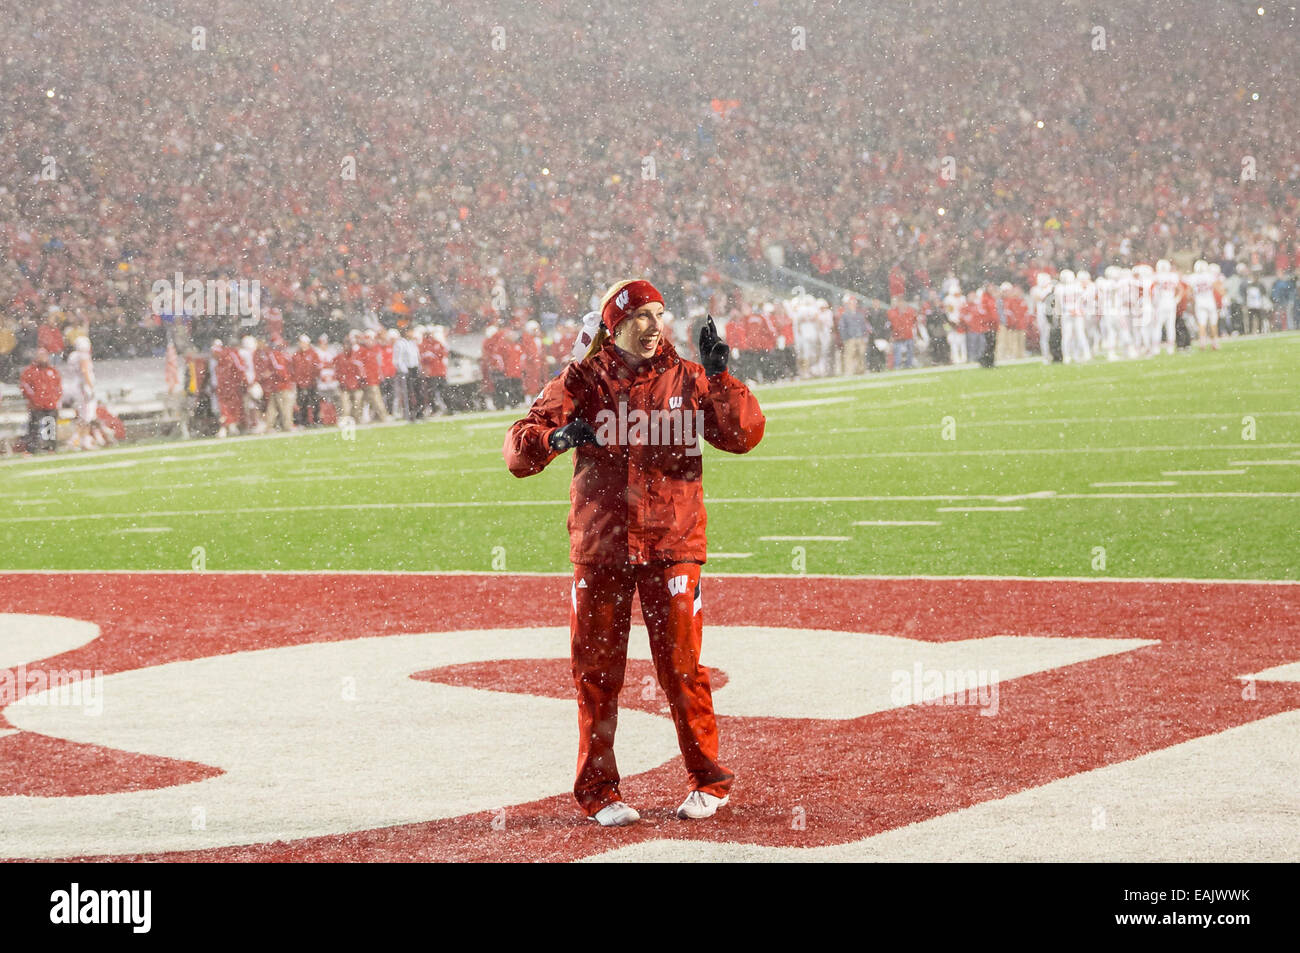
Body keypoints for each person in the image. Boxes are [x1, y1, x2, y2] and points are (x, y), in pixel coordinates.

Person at [503, 277, 765, 827]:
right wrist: (552, 440)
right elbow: (518, 450)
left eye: (658, 314)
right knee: (595, 674)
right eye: (639, 317)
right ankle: (599, 791)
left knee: (682, 669)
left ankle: (709, 780)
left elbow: (743, 435)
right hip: (602, 549)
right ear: (613, 326)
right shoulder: (582, 379)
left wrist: (720, 377)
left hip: (672, 544)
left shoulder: (691, 377)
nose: (652, 326)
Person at [20, 347, 62, 453]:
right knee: (33, 428)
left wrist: (54, 399)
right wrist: (35, 400)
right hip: (36, 406)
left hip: (50, 405)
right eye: (40, 355)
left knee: (50, 427)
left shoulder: (52, 371)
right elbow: (25, 387)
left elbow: (58, 387)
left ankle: (50, 448)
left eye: (44, 355)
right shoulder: (29, 371)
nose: (43, 358)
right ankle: (31, 449)